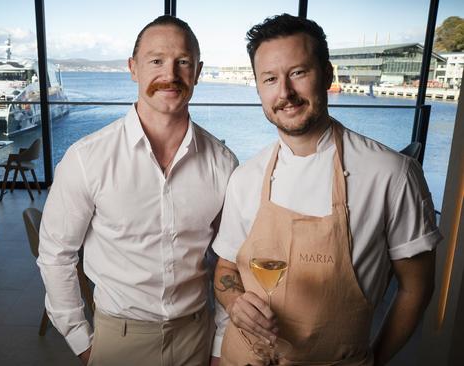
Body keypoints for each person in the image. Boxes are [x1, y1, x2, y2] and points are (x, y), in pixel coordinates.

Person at [212, 13, 442, 366]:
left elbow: (416, 288)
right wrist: (234, 303)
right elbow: (225, 269)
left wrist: (374, 359)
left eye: (299, 73)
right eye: (270, 79)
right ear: (259, 89)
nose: (285, 92)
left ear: (328, 75)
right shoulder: (246, 177)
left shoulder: (392, 174)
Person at [38, 15, 238, 366]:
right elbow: (56, 254)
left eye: (183, 62)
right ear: (133, 68)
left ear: (198, 71)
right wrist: (80, 340)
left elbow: (228, 261)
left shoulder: (222, 163)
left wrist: (221, 343)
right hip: (118, 339)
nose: (170, 75)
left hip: (196, 335)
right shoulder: (87, 158)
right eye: (156, 61)